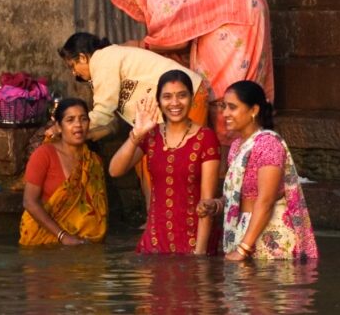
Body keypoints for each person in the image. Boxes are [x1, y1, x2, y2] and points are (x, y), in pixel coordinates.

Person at [110, 0, 273, 142]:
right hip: (249, 4)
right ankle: (241, 148)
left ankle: (228, 157)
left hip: (231, 16)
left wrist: (140, 45)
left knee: (220, 92)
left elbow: (175, 41)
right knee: (243, 87)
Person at [58, 33, 209, 207]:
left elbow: (103, 112)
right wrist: (89, 133)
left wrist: (69, 128)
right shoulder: (107, 61)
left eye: (72, 66)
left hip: (186, 97)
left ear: (83, 57)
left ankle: (191, 213)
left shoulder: (102, 59)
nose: (73, 73)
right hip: (157, 117)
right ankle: (155, 215)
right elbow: (110, 121)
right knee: (144, 162)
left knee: (186, 159)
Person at [199, 81, 318, 261]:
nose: (225, 113)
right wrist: (216, 204)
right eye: (224, 107)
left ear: (254, 110)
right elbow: (238, 196)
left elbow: (266, 200)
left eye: (232, 107)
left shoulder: (268, 144)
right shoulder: (236, 147)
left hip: (269, 235)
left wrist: (243, 249)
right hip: (244, 230)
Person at [109, 70, 220, 255]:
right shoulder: (150, 135)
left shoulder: (206, 138)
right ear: (159, 101)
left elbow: (206, 203)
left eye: (182, 96)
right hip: (154, 240)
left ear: (192, 99)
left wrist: (199, 256)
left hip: (193, 241)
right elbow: (115, 170)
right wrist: (136, 136)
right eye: (167, 97)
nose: (175, 103)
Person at [19, 98, 107, 246]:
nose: (78, 125)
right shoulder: (44, 154)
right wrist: (63, 236)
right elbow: (29, 201)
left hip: (85, 244)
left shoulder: (93, 161)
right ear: (59, 127)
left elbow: (99, 212)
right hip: (43, 243)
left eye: (83, 119)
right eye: (70, 120)